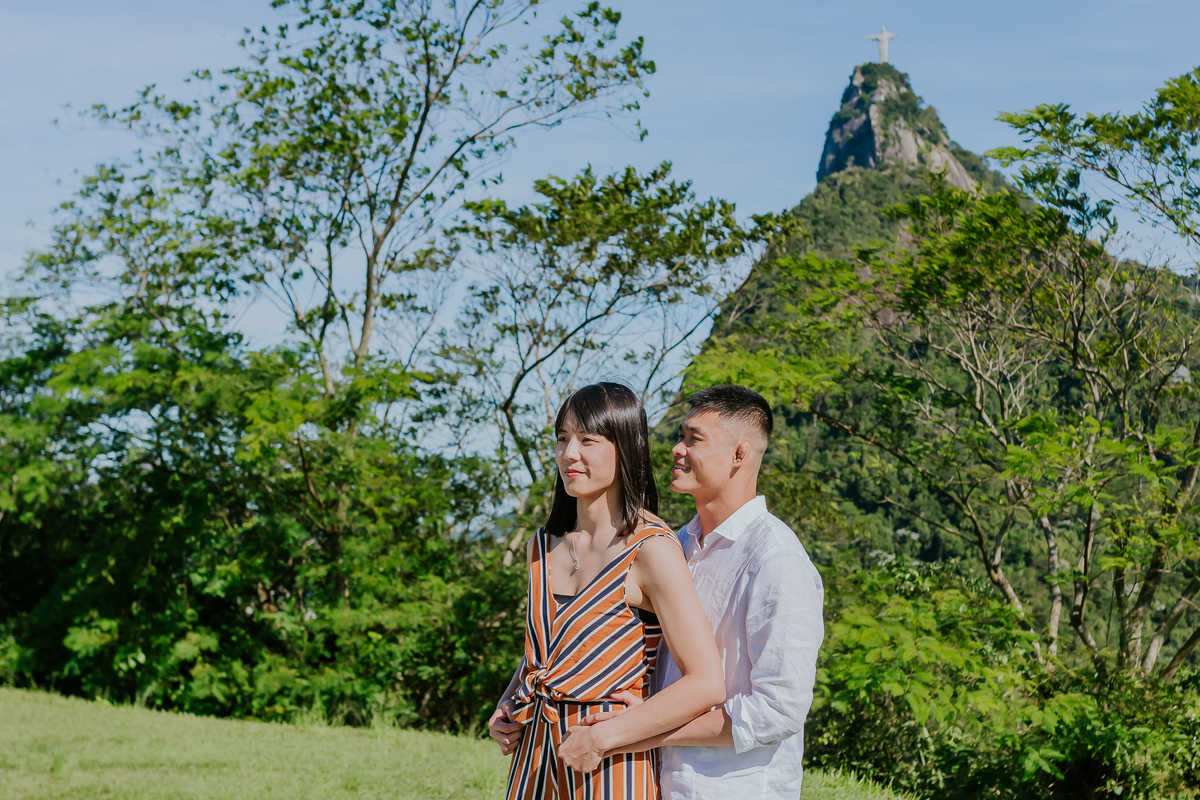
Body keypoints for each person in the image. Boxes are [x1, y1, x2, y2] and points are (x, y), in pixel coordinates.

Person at [583, 384, 825, 800]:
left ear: (739, 455)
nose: (677, 449)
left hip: (734, 789)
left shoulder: (776, 557)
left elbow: (777, 710)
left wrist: (642, 733)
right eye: (680, 436)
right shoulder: (674, 546)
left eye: (694, 439)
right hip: (656, 784)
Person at [488, 382, 726, 800]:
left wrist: (605, 737)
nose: (569, 454)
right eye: (562, 439)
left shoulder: (651, 549)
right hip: (533, 756)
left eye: (587, 440)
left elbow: (706, 682)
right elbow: (549, 650)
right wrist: (506, 705)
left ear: (626, 448)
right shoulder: (542, 546)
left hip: (608, 761)